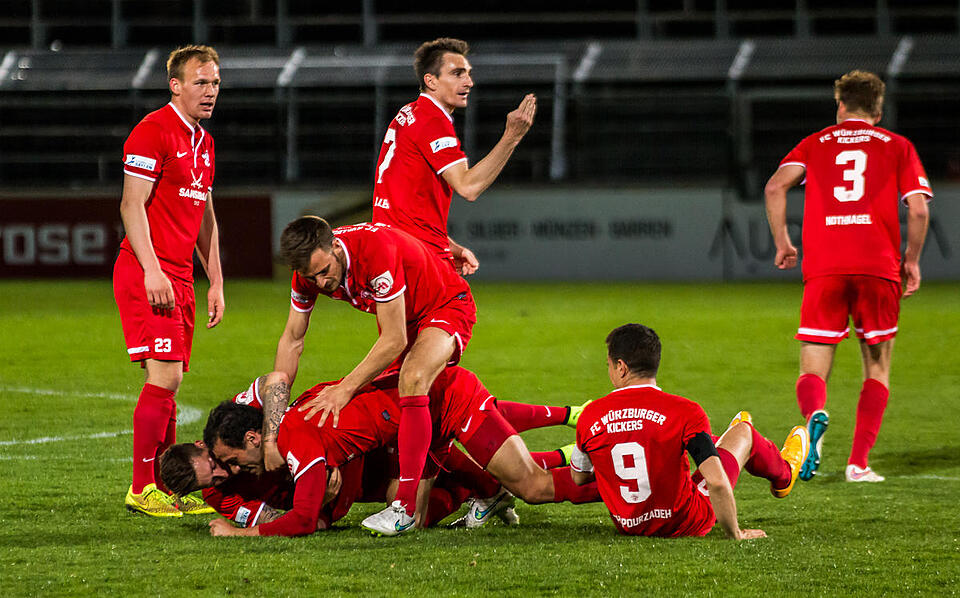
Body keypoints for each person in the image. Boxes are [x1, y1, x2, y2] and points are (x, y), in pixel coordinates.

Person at [764, 70, 932, 483]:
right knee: (876, 369)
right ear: (878, 108)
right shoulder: (897, 145)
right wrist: (911, 259)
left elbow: (773, 188)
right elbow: (920, 209)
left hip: (825, 268)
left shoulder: (815, 142)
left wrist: (784, 244)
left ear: (840, 105)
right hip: (878, 268)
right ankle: (858, 464)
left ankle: (814, 417)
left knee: (812, 369)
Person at [203, 365, 599, 536]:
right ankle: (496, 489)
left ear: (254, 439)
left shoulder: (297, 443)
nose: (236, 471)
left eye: (234, 462)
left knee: (531, 486)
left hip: (443, 400)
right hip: (416, 421)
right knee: (422, 502)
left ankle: (618, 482)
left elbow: (305, 520)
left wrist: (242, 534)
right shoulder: (293, 422)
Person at [271, 216, 476, 530]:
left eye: (325, 272)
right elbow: (293, 339)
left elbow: (394, 340)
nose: (322, 283)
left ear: (337, 248)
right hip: (405, 321)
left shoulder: (373, 252)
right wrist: (278, 413)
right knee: (411, 406)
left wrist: (345, 389)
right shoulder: (309, 277)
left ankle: (403, 507)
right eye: (312, 277)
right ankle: (485, 486)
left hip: (445, 306)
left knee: (414, 378)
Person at [113, 44, 224, 517]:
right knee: (167, 375)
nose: (210, 91)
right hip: (147, 270)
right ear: (175, 85)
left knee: (171, 383)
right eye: (200, 82)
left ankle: (167, 484)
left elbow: (206, 217)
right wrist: (153, 268)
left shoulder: (205, 141)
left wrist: (215, 280)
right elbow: (130, 205)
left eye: (215, 82)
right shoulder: (153, 130)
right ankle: (142, 488)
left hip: (180, 276)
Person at [569, 324, 810, 539]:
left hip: (628, 525)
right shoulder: (684, 411)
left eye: (609, 365)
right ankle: (783, 475)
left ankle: (724, 441)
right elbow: (716, 482)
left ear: (621, 368)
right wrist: (735, 533)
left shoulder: (590, 416)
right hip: (687, 522)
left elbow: (579, 477)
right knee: (744, 432)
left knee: (685, 445)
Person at [372, 37, 536, 275]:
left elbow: (405, 211)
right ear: (431, 81)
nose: (469, 82)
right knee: (459, 311)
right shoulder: (432, 121)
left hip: (393, 249)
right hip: (418, 257)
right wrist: (512, 136)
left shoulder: (409, 112)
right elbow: (469, 187)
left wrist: (449, 247)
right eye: (457, 73)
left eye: (468, 73)